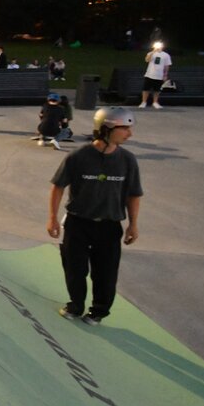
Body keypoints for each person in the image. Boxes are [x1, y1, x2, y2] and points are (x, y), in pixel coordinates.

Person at [48, 107, 142, 325]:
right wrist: (52, 218)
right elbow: (58, 187)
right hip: (78, 222)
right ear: (107, 128)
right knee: (74, 268)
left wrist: (133, 225)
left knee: (106, 273)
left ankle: (98, 311)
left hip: (109, 226)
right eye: (125, 128)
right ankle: (76, 305)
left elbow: (134, 195)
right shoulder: (79, 156)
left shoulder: (127, 160)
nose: (129, 133)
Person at [139, 41, 171, 109]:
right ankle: (144, 102)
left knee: (157, 90)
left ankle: (155, 102)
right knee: (146, 89)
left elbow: (167, 66)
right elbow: (147, 60)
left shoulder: (166, 55)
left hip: (159, 75)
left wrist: (165, 75)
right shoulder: (151, 53)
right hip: (149, 74)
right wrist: (153, 51)